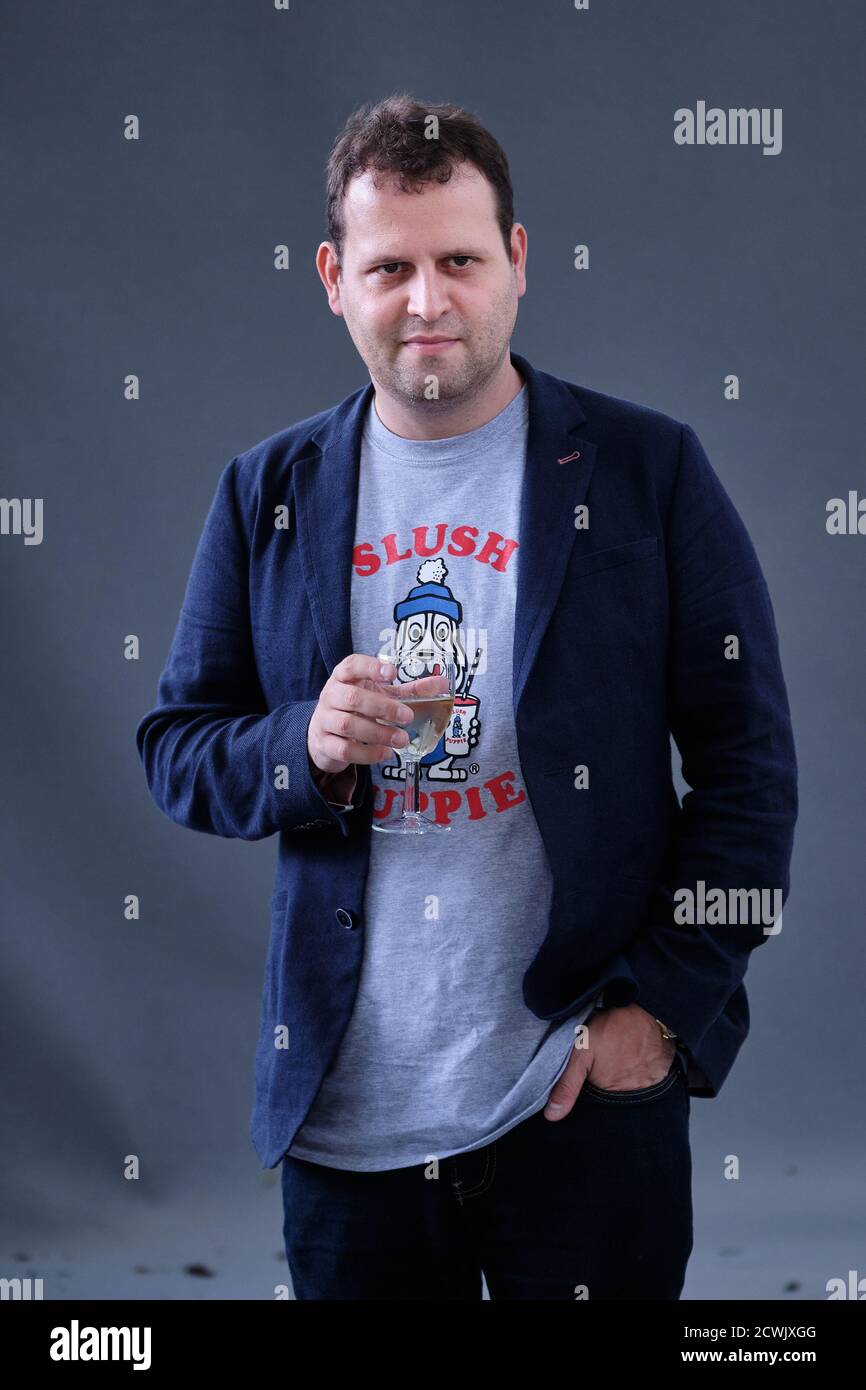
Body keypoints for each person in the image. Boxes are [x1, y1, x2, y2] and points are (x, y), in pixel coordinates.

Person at [135, 93, 798, 1300]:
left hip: (579, 1105)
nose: (427, 301)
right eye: (390, 266)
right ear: (334, 276)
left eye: (459, 259)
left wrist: (658, 1010)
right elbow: (177, 747)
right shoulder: (264, 490)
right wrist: (304, 746)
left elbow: (751, 772)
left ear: (518, 263)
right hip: (347, 1118)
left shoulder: (647, 472)